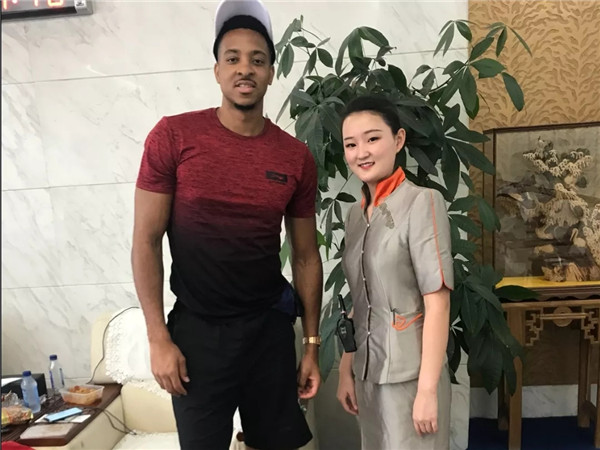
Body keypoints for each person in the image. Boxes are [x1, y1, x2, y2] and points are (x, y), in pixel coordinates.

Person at [131, 1, 323, 448]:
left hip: (268, 330)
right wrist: (158, 338)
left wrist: (311, 345)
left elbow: (306, 256)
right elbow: (146, 241)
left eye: (257, 60)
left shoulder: (295, 157)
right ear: (217, 70)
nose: (245, 69)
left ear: (271, 73)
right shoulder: (173, 137)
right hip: (197, 334)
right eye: (232, 58)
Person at [336, 95, 453, 450]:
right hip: (367, 374)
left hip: (411, 376)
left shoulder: (422, 202)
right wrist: (346, 369)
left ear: (398, 139)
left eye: (372, 139)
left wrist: (427, 391)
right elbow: (361, 300)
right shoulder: (355, 216)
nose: (362, 152)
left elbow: (438, 302)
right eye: (351, 144)